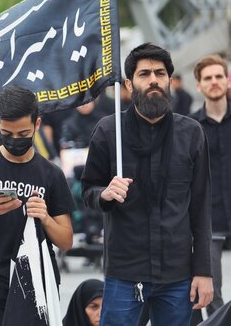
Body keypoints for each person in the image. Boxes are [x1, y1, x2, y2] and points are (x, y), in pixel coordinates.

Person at [81, 43, 213, 325]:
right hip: (124, 273)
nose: (153, 79)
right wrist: (104, 193)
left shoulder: (191, 133)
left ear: (169, 80)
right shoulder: (107, 131)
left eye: (160, 73)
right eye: (144, 74)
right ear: (129, 84)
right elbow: (88, 191)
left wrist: (204, 271)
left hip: (178, 275)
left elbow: (201, 208)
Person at [0, 85, 75, 325]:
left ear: (37, 124)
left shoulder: (51, 174)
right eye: (6, 133)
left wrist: (45, 217)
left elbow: (66, 241)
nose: (14, 141)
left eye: (23, 134)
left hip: (37, 285)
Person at [189, 54, 231, 315]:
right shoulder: (189, 127)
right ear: (198, 85)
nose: (214, 82)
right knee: (211, 292)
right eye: (208, 78)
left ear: (227, 81)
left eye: (219, 76)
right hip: (209, 220)